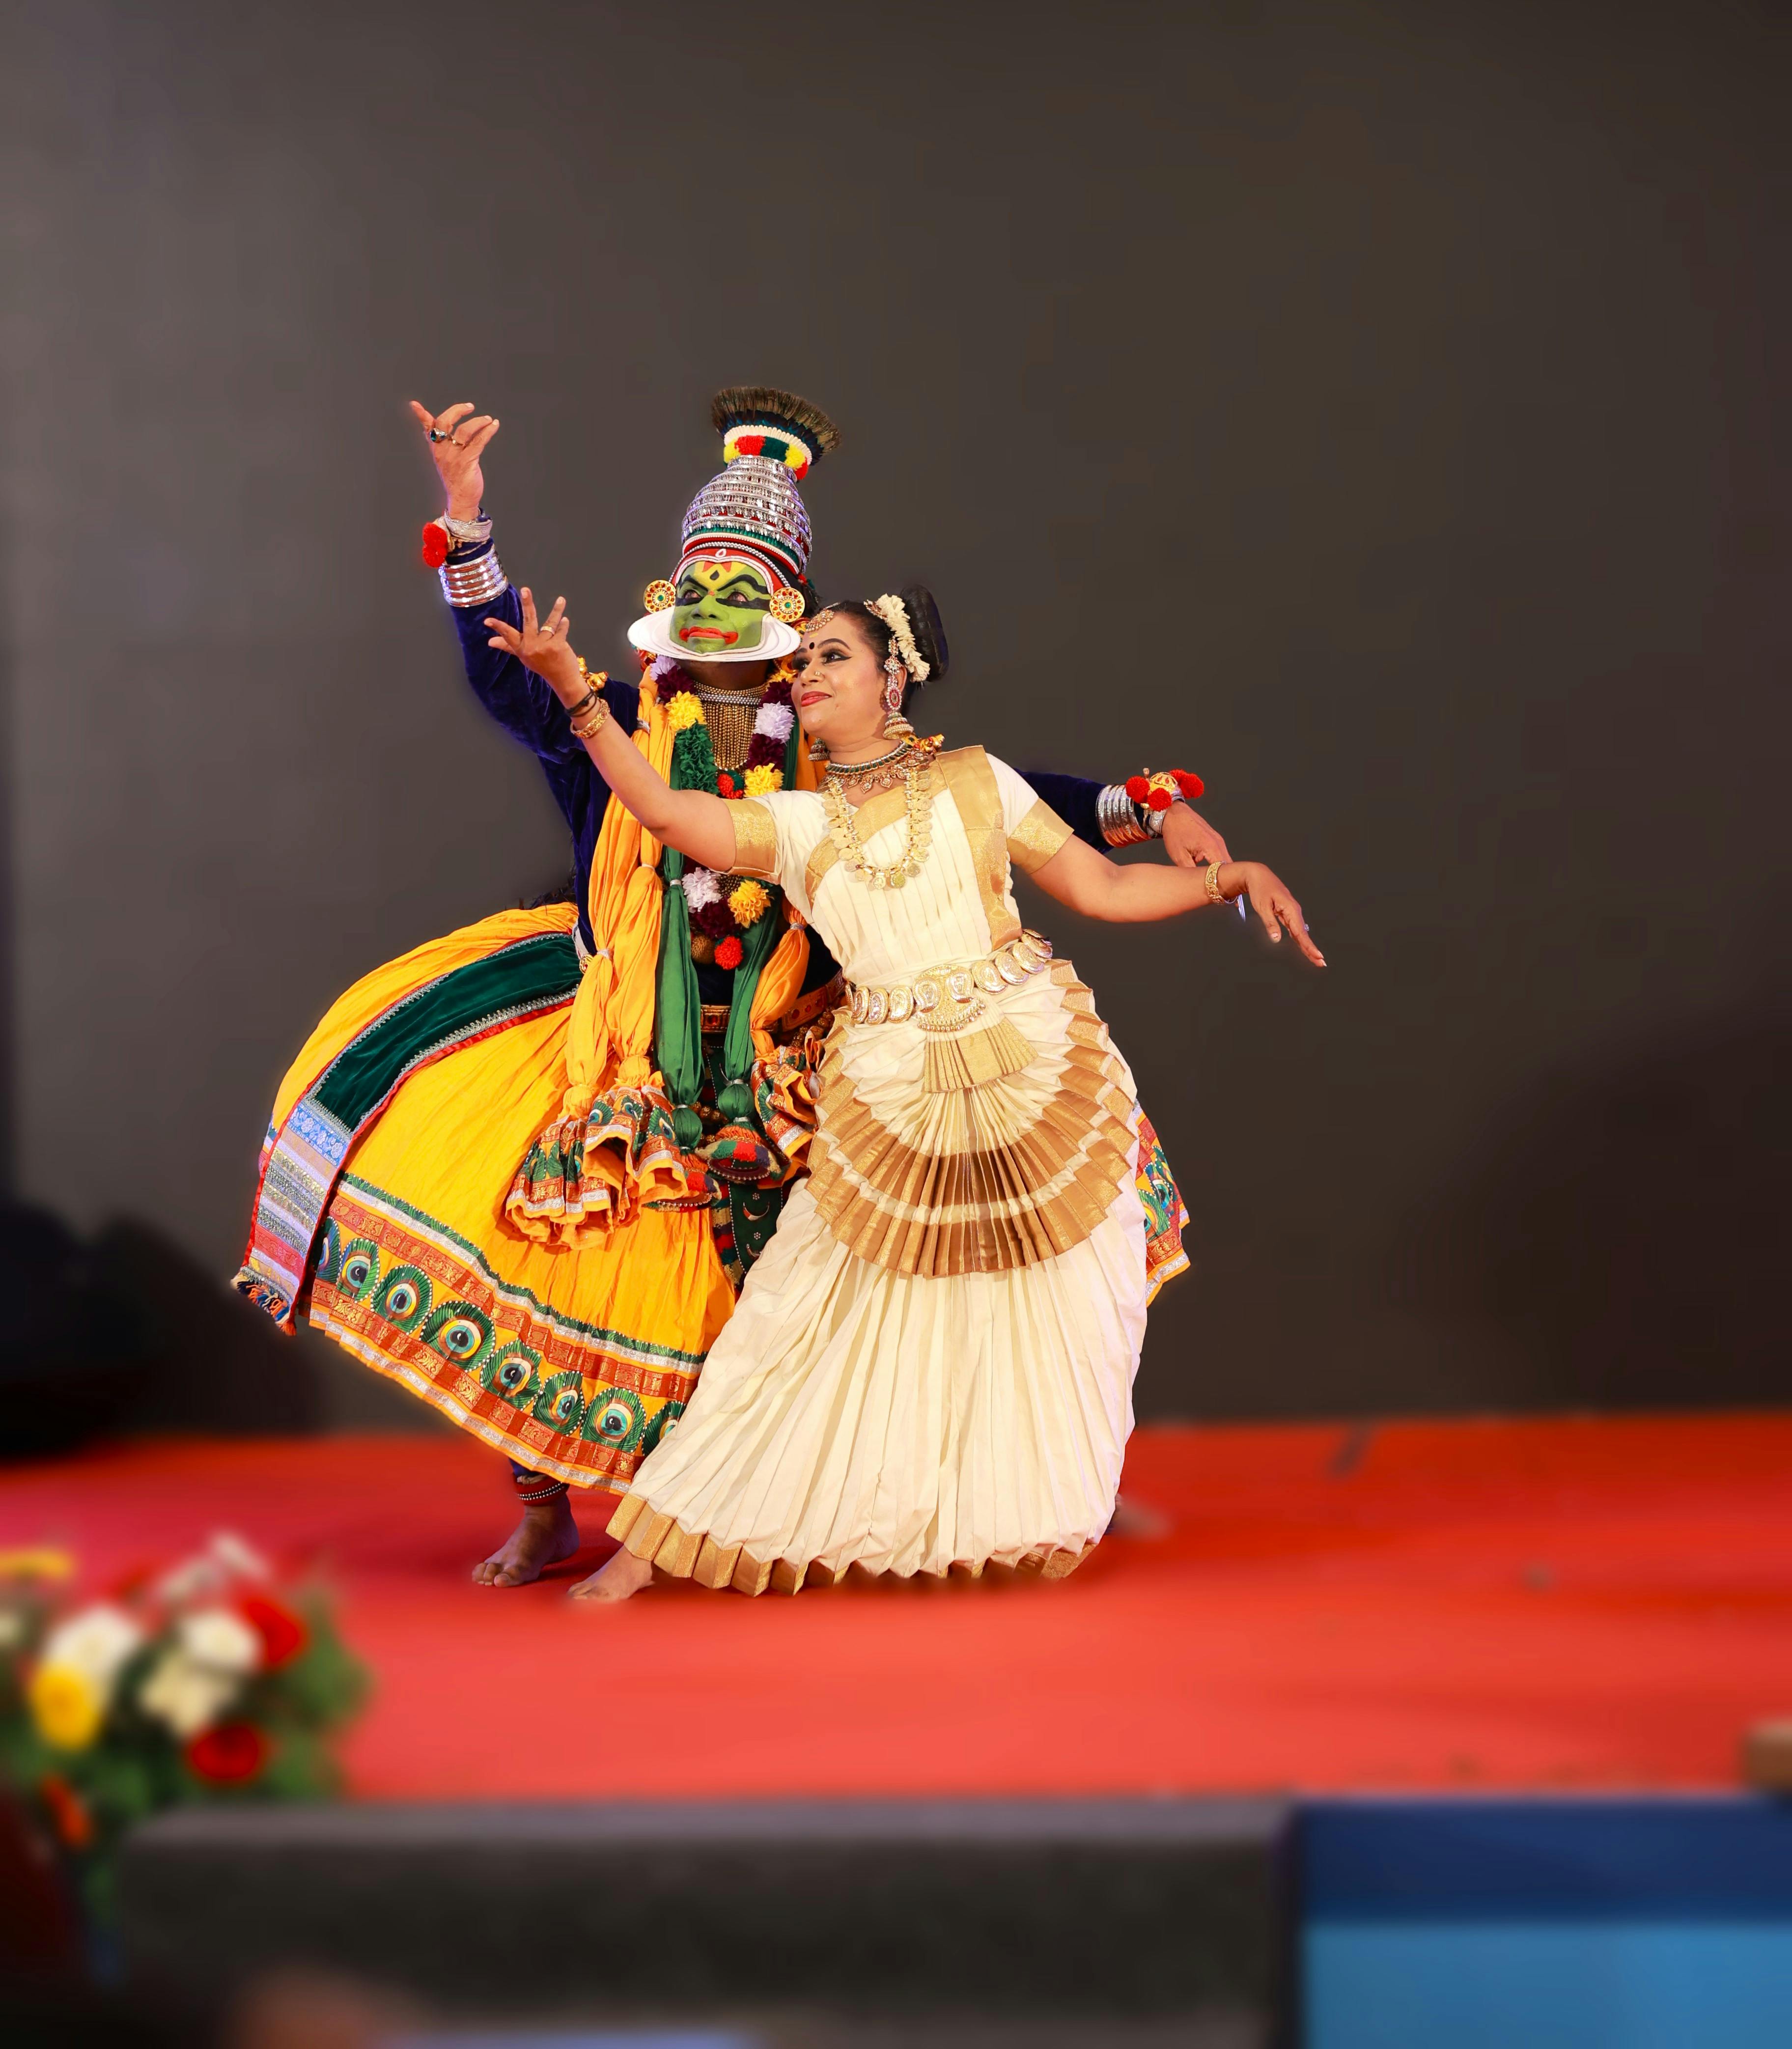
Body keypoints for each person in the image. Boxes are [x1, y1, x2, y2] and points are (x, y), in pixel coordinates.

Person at [234, 390, 1233, 1594]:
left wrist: (1150, 807)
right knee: (553, 1261)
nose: (715, 603)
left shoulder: (823, 738)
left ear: (788, 619)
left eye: (743, 587)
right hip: (621, 1047)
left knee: (841, 1287)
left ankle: (988, 1485)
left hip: (792, 1048)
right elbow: (513, 680)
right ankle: (548, 1511)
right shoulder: (610, 722)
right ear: (668, 599)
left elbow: (996, 792)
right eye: (699, 581)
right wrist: (469, 525)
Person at [482, 581, 1322, 1600]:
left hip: (1028, 1059)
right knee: (797, 1312)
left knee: (1054, 1303)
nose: (808, 672)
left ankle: (1011, 1511)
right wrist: (576, 694)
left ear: (894, 680)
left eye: (833, 655)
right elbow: (662, 810)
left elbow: (1100, 887)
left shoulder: (978, 781)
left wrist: (1229, 879)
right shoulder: (793, 822)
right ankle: (658, 1542)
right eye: (802, 660)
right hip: (891, 1085)